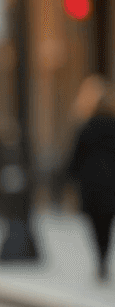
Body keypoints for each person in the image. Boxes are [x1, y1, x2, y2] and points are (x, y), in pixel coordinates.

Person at [65, 78, 115, 280]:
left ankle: (100, 258)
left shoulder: (85, 127)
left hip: (91, 184)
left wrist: (69, 179)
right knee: (107, 223)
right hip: (111, 184)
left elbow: (75, 157)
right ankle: (104, 255)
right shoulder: (113, 127)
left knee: (95, 223)